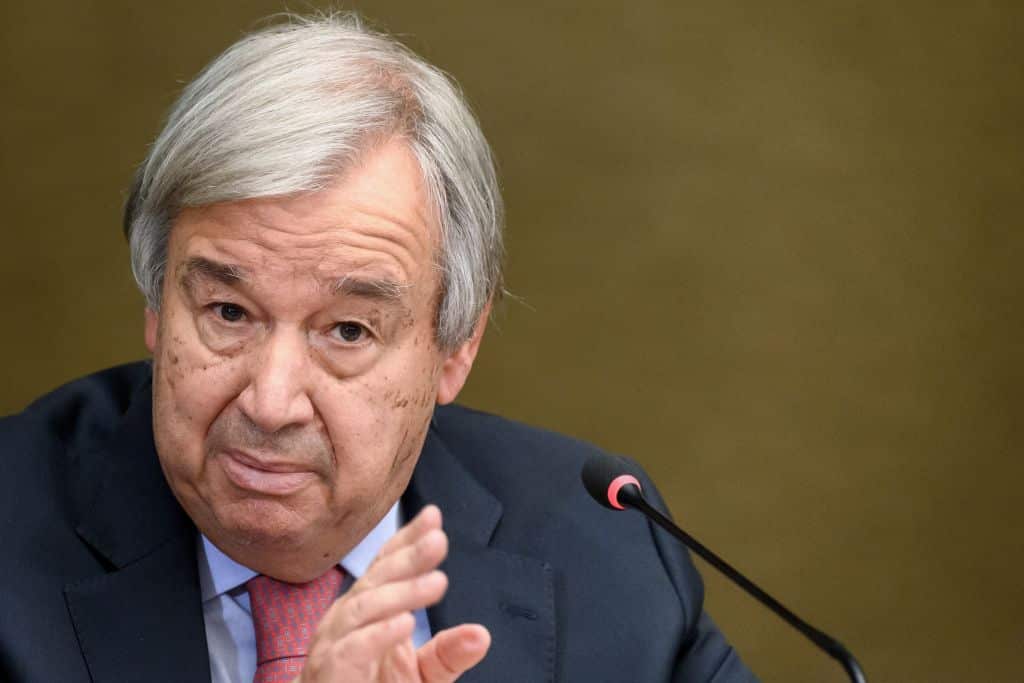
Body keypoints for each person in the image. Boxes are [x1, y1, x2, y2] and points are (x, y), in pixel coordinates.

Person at [0, 13, 757, 683]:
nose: (270, 400)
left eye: (349, 330)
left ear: (454, 348)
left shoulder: (606, 549)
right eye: (229, 311)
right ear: (158, 311)